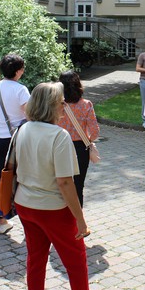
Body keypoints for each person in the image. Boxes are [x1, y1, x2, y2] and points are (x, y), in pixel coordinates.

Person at [14, 82, 90, 290]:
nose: (64, 106)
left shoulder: (23, 128)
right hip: (52, 209)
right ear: (52, 106)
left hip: (25, 204)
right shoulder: (59, 135)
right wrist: (80, 219)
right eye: (61, 102)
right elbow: (65, 183)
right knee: (76, 263)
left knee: (35, 260)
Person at [0, 54, 30, 233]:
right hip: (19, 139)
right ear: (18, 71)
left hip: (1, 138)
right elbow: (30, 115)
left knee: (3, 178)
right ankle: (30, 218)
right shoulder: (21, 90)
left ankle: (2, 219)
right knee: (26, 178)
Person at [57, 70, 100, 207]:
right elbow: (94, 132)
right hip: (80, 148)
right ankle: (77, 221)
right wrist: (88, 139)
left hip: (58, 146)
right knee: (78, 186)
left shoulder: (56, 105)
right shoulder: (86, 105)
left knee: (60, 184)